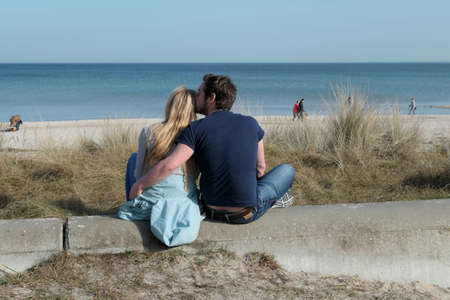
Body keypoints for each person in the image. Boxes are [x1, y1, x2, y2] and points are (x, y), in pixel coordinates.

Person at [130, 74, 295, 225]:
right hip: (244, 214)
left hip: (211, 211)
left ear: (212, 98)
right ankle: (271, 200)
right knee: (287, 170)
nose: (196, 96)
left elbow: (171, 164)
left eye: (200, 92)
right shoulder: (251, 123)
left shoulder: (196, 128)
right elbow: (260, 169)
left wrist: (140, 185)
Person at [118, 87, 202, 247]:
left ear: (170, 105)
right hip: (182, 204)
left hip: (149, 206)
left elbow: (138, 174)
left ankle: (132, 201)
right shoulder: (197, 135)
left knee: (134, 159)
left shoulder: (149, 131)